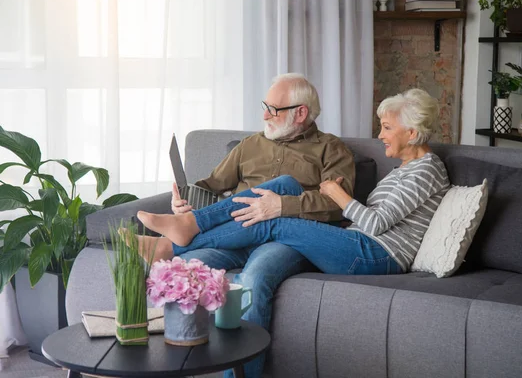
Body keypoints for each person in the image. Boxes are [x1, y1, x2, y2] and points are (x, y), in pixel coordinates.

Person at [135, 87, 450, 283]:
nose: (380, 135)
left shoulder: (423, 169)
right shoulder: (403, 169)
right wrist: (186, 198)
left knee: (273, 226)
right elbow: (211, 185)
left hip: (365, 251)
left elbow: (368, 219)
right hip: (346, 243)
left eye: (387, 128)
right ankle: (186, 226)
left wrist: (330, 195)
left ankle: (174, 242)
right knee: (283, 186)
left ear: (411, 133)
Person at [165, 73, 355, 378]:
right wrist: (184, 201)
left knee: (252, 281)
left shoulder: (331, 150)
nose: (264, 114)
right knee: (183, 266)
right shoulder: (250, 145)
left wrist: (282, 206)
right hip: (236, 234)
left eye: (273, 109)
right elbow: (211, 186)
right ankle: (176, 369)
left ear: (301, 112)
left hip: (286, 240)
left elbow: (337, 204)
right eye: (264, 105)